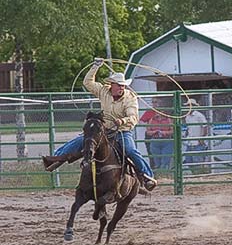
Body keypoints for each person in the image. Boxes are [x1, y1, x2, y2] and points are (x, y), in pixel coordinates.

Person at [43, 58, 157, 191]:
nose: (121, 87)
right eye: (119, 85)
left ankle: (147, 176)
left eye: (123, 85)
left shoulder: (130, 97)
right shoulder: (104, 91)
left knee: (130, 150)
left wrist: (122, 121)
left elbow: (133, 116)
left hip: (122, 131)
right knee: (82, 140)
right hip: (105, 129)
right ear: (112, 85)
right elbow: (88, 82)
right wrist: (95, 67)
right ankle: (56, 158)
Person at [144, 102, 174, 171]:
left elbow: (172, 131)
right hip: (155, 140)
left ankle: (164, 173)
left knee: (165, 158)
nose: (159, 113)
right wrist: (154, 132)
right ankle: (159, 172)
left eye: (160, 111)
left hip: (166, 140)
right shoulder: (152, 120)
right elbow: (148, 132)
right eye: (158, 112)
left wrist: (164, 133)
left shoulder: (168, 119)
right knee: (156, 159)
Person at [182, 98, 209, 173]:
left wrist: (202, 139)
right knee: (189, 160)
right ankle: (196, 174)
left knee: (197, 161)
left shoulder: (199, 116)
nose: (188, 107)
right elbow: (189, 127)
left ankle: (199, 174)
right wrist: (186, 134)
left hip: (197, 142)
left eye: (189, 105)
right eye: (187, 105)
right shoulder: (187, 116)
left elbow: (205, 127)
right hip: (190, 141)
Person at [139, 97, 163, 169]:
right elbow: (141, 122)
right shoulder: (149, 112)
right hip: (151, 135)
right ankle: (154, 169)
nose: (154, 104)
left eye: (156, 102)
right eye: (153, 102)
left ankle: (163, 169)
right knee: (151, 153)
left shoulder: (164, 112)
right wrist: (149, 123)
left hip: (162, 134)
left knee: (163, 153)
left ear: (160, 103)